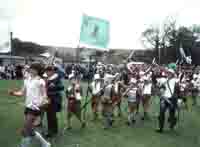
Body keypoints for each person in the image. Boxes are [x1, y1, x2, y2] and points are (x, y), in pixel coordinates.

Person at [9, 63, 51, 147]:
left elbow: (44, 95)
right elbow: (21, 93)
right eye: (31, 68)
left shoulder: (40, 81)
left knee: (25, 130)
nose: (32, 70)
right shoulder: (27, 80)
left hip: (35, 108)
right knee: (30, 131)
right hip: (28, 107)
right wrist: (13, 93)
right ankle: (45, 144)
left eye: (34, 69)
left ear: (38, 71)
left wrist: (44, 101)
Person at [156, 69, 178, 133]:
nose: (168, 74)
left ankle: (172, 124)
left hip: (172, 99)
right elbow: (159, 87)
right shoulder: (164, 80)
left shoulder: (175, 81)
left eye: (170, 73)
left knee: (172, 114)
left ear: (172, 74)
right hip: (164, 98)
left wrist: (178, 99)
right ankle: (160, 128)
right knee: (161, 113)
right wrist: (160, 88)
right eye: (168, 73)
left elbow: (177, 90)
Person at [45, 66, 64, 138]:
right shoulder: (47, 79)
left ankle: (51, 131)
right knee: (49, 115)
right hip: (47, 99)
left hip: (54, 99)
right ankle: (53, 129)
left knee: (52, 115)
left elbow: (61, 87)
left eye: (48, 71)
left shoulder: (57, 78)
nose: (47, 72)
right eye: (46, 71)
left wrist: (54, 86)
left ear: (52, 72)